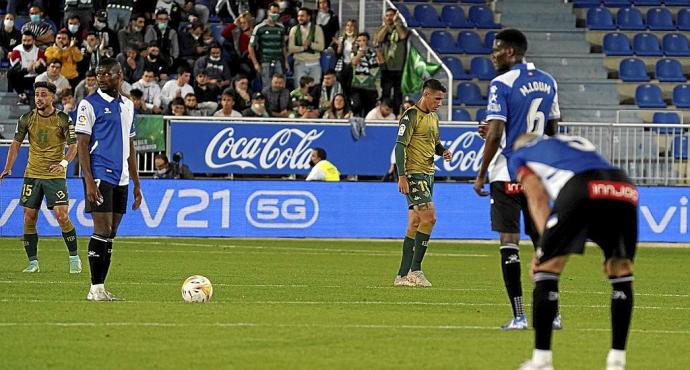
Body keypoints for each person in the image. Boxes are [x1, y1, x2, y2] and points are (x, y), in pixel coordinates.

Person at [510, 134, 637, 370]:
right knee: (620, 269)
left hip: (581, 187)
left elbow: (537, 198)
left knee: (547, 269)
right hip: (623, 185)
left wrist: (543, 249)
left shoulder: (520, 155)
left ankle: (541, 361)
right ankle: (617, 361)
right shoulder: (567, 143)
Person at [472, 29, 561, 330]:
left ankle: (520, 316)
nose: (492, 54)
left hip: (507, 173)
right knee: (542, 244)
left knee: (509, 242)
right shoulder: (549, 82)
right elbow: (551, 129)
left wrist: (482, 173)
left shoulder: (502, 83)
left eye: (496, 49)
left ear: (511, 52)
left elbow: (496, 132)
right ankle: (553, 314)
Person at [75, 58, 142, 301]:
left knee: (112, 232)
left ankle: (101, 289)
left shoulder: (128, 105)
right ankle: (94, 288)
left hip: (122, 176)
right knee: (101, 229)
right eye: (98, 74)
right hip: (100, 172)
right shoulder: (88, 104)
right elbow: (81, 144)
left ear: (119, 75)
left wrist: (136, 182)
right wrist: (89, 180)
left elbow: (131, 144)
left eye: (106, 74)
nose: (101, 78)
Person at [0, 81, 81, 274]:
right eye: (37, 94)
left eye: (43, 94)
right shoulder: (26, 118)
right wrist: (8, 167)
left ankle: (74, 257)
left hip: (55, 176)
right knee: (29, 217)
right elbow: (16, 144)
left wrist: (63, 163)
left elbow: (73, 146)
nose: (39, 98)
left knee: (62, 216)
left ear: (52, 97)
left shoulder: (63, 119)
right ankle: (33, 262)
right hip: (32, 174)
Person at [393, 78, 451, 287]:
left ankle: (401, 276)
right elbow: (400, 146)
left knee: (415, 223)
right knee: (430, 217)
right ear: (426, 94)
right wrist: (402, 176)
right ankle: (415, 270)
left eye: (441, 99)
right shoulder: (411, 116)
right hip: (413, 173)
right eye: (437, 98)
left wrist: (443, 151)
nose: (439, 103)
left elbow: (434, 143)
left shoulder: (434, 117)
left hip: (429, 174)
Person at [374, 8, 407, 116]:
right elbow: (378, 39)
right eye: (387, 15)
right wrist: (385, 26)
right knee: (386, 93)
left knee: (398, 94)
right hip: (386, 67)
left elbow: (402, 36)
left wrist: (396, 23)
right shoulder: (381, 29)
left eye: (391, 15)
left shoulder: (401, 28)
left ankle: (397, 115)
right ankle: (384, 114)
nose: (389, 17)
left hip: (399, 67)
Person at [248, 2, 286, 89]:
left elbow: (283, 45)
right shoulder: (259, 28)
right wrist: (256, 63)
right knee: (267, 86)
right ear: (268, 12)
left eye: (277, 12)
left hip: (278, 61)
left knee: (281, 85)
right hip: (265, 61)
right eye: (273, 12)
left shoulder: (281, 27)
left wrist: (286, 61)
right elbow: (251, 46)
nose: (275, 14)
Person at [287, 7, 325, 85]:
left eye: (302, 16)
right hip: (299, 63)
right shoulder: (294, 29)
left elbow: (321, 47)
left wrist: (311, 44)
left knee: (314, 89)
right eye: (298, 16)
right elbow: (291, 48)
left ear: (308, 17)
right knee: (299, 89)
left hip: (314, 64)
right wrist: (303, 48)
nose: (299, 18)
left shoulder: (317, 29)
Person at [350, 32, 382, 118]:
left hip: (371, 86)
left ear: (368, 41)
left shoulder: (372, 51)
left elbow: (381, 62)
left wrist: (377, 48)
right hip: (357, 85)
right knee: (356, 106)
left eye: (364, 40)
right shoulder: (354, 51)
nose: (362, 42)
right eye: (359, 41)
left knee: (369, 110)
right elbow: (353, 62)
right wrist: (361, 53)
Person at [8, 31, 46, 104]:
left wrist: (37, 68)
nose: (26, 43)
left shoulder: (39, 52)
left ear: (33, 41)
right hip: (22, 79)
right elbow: (16, 70)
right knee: (10, 73)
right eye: (24, 40)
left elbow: (43, 69)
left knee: (43, 74)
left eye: (29, 40)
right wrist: (27, 70)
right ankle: (22, 96)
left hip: (35, 79)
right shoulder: (16, 51)